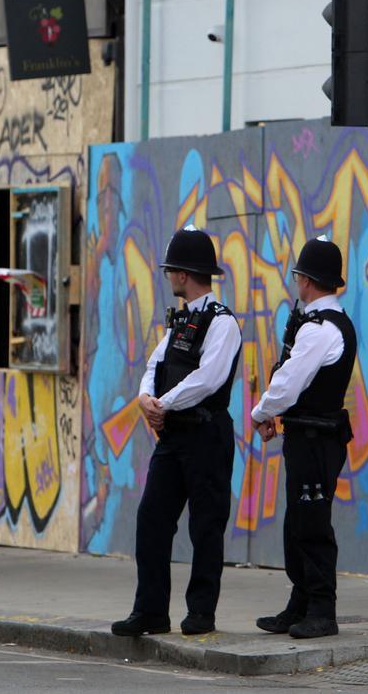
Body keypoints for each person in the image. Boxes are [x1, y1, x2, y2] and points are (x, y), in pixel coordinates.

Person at [111, 227, 242, 638]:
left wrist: (162, 404)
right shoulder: (181, 320)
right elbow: (154, 364)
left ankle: (201, 612)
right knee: (152, 519)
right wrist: (145, 397)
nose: (167, 276)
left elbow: (207, 379)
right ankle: (150, 611)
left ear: (183, 274)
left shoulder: (222, 323)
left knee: (205, 526)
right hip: (173, 437)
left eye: (170, 270)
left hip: (206, 434)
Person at [250, 238, 356, 639]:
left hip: (316, 437)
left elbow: (287, 383)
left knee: (311, 523)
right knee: (298, 522)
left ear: (306, 280)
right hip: (309, 436)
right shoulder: (323, 322)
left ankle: (322, 611)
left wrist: (262, 412)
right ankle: (301, 603)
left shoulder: (320, 329)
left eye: (297, 275)